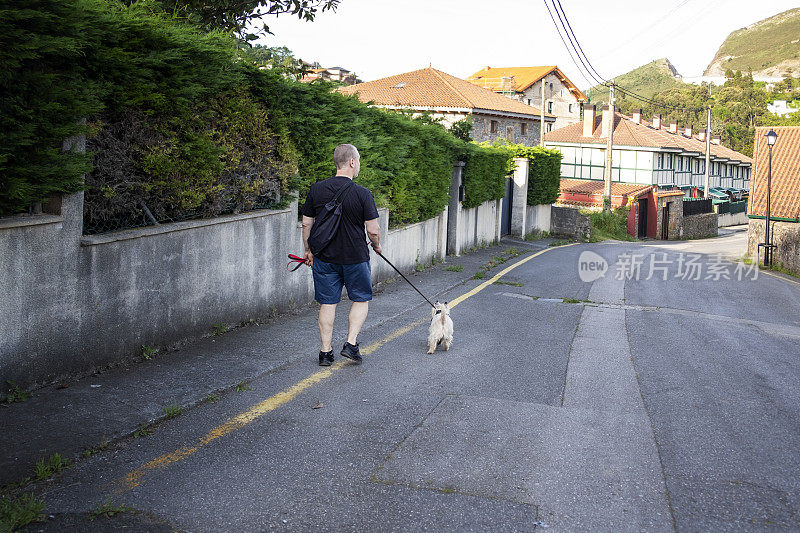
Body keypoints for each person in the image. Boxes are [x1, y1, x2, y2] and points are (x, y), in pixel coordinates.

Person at [301, 144, 381, 366]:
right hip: (355, 257)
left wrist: (308, 250)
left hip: (324, 257)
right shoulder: (363, 193)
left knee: (328, 303)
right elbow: (373, 230)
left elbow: (306, 223)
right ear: (352, 162)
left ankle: (325, 353)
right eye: (359, 162)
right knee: (361, 298)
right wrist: (377, 246)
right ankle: (351, 344)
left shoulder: (316, 189)